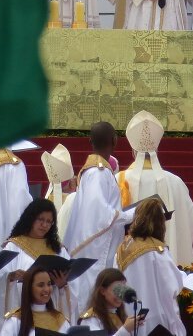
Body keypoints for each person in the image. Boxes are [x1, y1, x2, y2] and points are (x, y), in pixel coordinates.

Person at [61, 123, 131, 310]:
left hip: (96, 245)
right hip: (95, 250)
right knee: (91, 301)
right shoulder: (98, 172)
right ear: (115, 141)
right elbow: (101, 214)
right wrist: (134, 214)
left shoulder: (97, 171)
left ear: (90, 141)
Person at [116, 111, 193, 266]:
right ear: (156, 149)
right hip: (169, 264)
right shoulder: (176, 182)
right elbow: (187, 219)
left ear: (133, 150)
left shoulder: (117, 179)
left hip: (128, 263)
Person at [0, 199, 76, 326]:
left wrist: (62, 285)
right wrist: (11, 277)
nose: (44, 225)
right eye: (41, 219)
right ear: (31, 218)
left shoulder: (59, 250)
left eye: (49, 222)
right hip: (23, 316)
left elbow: (73, 285)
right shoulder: (13, 246)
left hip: (52, 313)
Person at [115, 198, 185, 336]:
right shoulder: (158, 250)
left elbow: (116, 284)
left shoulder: (123, 248)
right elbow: (173, 285)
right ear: (160, 223)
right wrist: (183, 275)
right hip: (157, 318)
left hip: (131, 318)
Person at [0, 268, 69, 336]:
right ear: (29, 288)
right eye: (41, 285)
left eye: (49, 284)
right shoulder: (15, 320)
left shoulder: (60, 319)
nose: (47, 289)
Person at [77, 268, 142, 336]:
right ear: (102, 291)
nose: (120, 295)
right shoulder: (91, 319)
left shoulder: (118, 314)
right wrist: (125, 329)